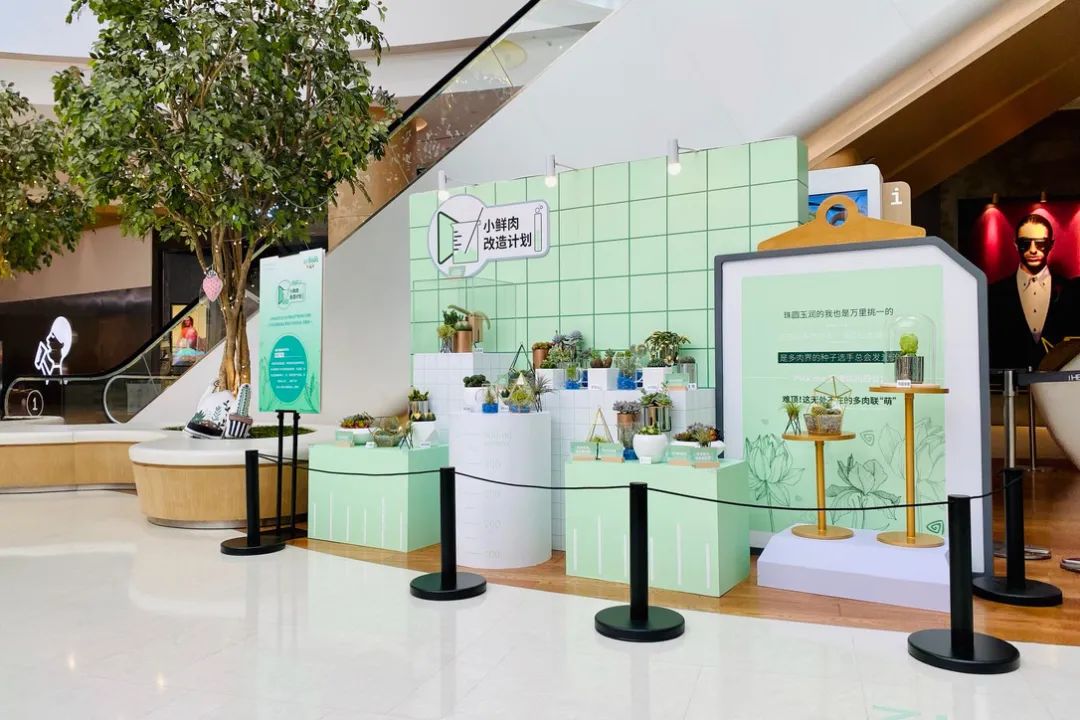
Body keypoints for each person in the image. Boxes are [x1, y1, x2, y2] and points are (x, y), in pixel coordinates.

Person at [987, 214, 1077, 369]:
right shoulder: (994, 294)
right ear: (1016, 244)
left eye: (1041, 244)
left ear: (1051, 244)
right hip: (1008, 381)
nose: (1033, 250)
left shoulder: (1071, 291)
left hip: (1061, 380)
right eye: (1025, 244)